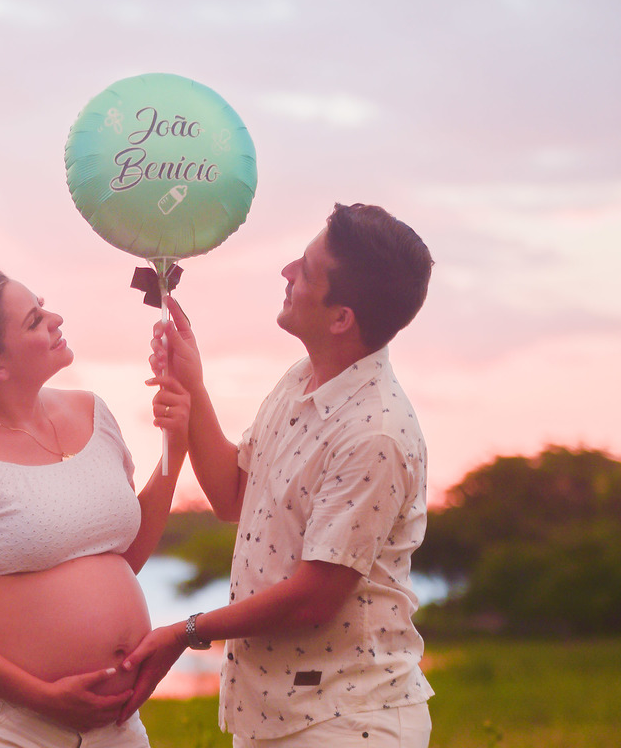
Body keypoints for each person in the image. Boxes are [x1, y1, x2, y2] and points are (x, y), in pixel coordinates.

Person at [118, 203, 436, 747]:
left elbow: (313, 598)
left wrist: (185, 631)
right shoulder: (301, 378)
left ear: (342, 318)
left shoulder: (375, 433)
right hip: (272, 716)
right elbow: (233, 495)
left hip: (346, 721)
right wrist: (191, 382)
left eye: (306, 271)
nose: (286, 272)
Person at [0, 268, 190, 747]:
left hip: (113, 728)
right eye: (34, 320)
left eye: (43, 307)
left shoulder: (93, 413)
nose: (56, 319)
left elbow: (121, 557)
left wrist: (176, 445)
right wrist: (41, 696)